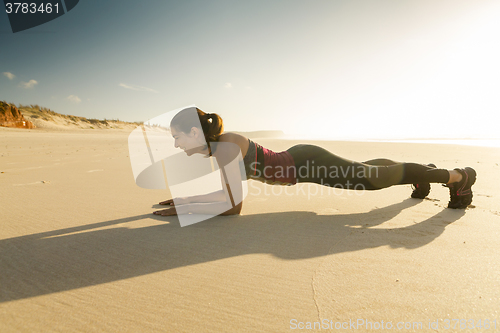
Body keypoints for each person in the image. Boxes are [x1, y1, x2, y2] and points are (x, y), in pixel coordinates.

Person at [153, 108, 476, 216]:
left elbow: (232, 207)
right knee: (368, 169)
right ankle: (424, 174)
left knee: (371, 179)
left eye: (177, 137)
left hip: (309, 165)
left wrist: (188, 206)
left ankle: (457, 177)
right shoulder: (220, 149)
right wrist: (188, 200)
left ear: (195, 132)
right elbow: (228, 195)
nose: (176, 143)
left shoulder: (226, 148)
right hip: (304, 162)